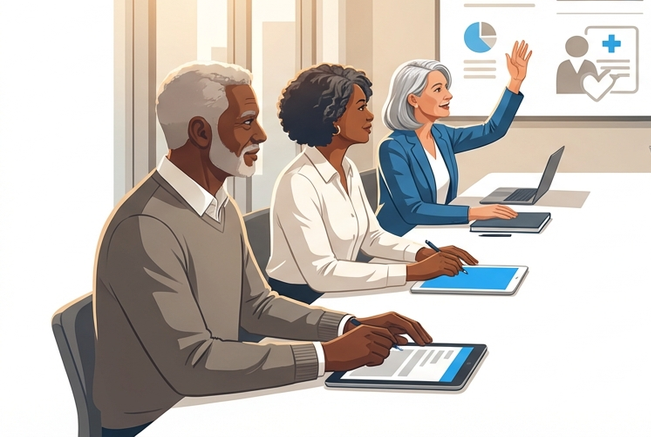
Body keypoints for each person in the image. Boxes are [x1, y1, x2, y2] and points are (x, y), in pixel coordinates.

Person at [93, 62, 433, 436]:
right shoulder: (144, 226)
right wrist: (328, 354)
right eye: (246, 122)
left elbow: (256, 306)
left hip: (212, 399)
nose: (262, 135)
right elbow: (191, 364)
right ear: (200, 132)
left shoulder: (219, 205)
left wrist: (345, 325)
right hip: (161, 420)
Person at [266, 64, 479, 303]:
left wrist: (423, 253)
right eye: (360, 107)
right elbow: (321, 273)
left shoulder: (347, 167)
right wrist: (413, 271)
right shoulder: (299, 182)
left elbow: (372, 237)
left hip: (339, 288)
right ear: (331, 117)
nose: (370, 115)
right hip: (303, 301)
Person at [376, 40, 533, 236]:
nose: (449, 95)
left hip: (437, 229)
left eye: (446, 87)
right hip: (404, 237)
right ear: (413, 99)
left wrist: (515, 81)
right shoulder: (393, 147)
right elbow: (412, 210)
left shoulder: (441, 135)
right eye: (438, 89)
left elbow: (491, 130)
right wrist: (474, 213)